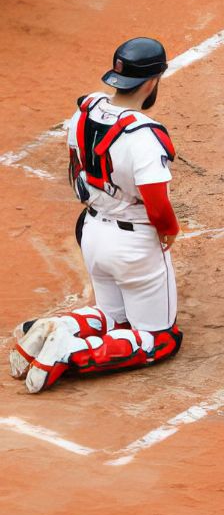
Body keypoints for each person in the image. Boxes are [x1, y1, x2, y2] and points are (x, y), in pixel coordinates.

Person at [9, 37, 183, 393]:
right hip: (133, 244)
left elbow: (75, 169)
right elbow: (156, 201)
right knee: (159, 337)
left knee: (114, 316)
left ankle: (56, 329)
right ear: (151, 82)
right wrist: (168, 230)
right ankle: (70, 351)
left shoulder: (83, 112)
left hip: (92, 232)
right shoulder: (144, 136)